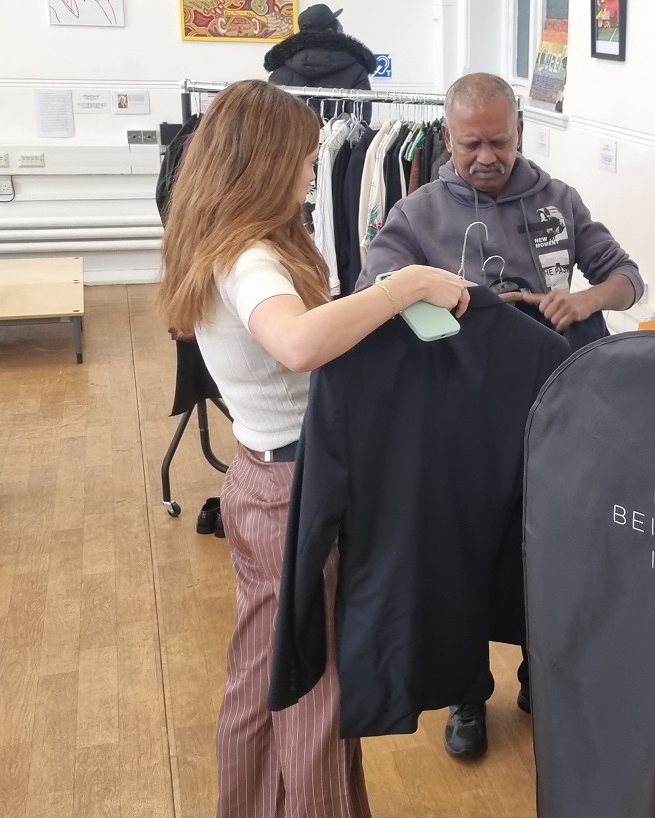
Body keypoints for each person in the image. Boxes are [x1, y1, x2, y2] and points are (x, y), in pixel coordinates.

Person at [158, 79, 470, 818]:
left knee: (262, 674)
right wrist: (406, 287)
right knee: (316, 689)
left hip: (259, 479)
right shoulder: (249, 260)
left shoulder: (218, 243)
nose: (309, 175)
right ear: (263, 163)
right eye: (301, 162)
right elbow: (297, 344)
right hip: (294, 493)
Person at [358, 72, 644, 760]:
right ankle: (467, 690)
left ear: (521, 132)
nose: (485, 157)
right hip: (459, 416)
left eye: (500, 142)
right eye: (469, 145)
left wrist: (582, 301)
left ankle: (538, 671)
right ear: (446, 139)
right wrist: (444, 302)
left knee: (547, 539)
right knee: (466, 550)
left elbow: (628, 276)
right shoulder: (420, 211)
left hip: (555, 406)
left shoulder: (557, 201)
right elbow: (374, 291)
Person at [264, 4, 377, 93]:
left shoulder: (279, 73)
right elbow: (361, 119)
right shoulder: (356, 71)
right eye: (338, 24)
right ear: (332, 31)